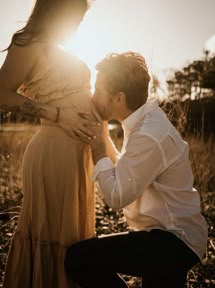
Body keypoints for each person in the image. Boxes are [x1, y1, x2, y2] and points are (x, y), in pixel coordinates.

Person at [64, 52, 208, 288]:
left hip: (173, 241)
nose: (93, 96)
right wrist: (102, 135)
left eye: (99, 90)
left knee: (79, 258)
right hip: (165, 235)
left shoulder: (149, 133)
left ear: (118, 98)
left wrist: (98, 148)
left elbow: (117, 196)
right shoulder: (143, 122)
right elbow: (126, 168)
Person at [0, 1, 98, 287]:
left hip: (80, 157)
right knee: (52, 238)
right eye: (75, 15)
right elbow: (1, 93)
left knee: (74, 239)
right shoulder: (29, 42)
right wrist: (57, 114)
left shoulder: (64, 51)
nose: (78, 24)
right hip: (53, 152)